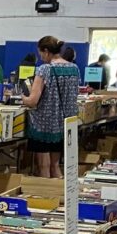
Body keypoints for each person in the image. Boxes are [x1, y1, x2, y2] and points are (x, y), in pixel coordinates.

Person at [23, 35, 81, 178]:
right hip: (64, 125)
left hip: (44, 125)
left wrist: (22, 97)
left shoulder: (45, 69)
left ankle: (45, 196)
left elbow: (33, 101)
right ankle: (60, 194)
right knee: (56, 167)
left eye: (41, 53)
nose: (41, 57)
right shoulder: (74, 68)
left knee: (44, 168)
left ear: (46, 51)